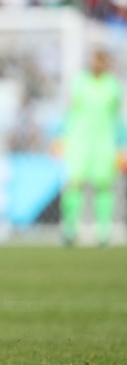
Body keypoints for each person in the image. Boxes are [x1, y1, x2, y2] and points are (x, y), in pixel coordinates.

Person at [61, 49, 121, 247]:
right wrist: (60, 136)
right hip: (80, 141)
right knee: (74, 183)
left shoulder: (113, 86)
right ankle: (70, 229)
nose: (98, 65)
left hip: (104, 142)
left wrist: (122, 144)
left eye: (101, 61)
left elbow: (118, 117)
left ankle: (103, 232)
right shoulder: (79, 82)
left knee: (104, 185)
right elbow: (70, 110)